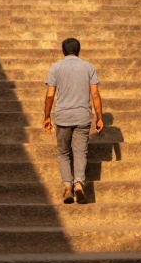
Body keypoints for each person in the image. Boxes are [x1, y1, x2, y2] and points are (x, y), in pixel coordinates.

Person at [43, 37, 103, 204]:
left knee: (63, 153)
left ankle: (67, 187)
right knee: (80, 152)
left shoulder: (55, 67)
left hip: (63, 117)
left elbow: (50, 95)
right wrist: (100, 117)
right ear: (78, 50)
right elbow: (95, 94)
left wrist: (47, 116)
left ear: (63, 51)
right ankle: (78, 184)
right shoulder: (88, 67)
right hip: (83, 116)